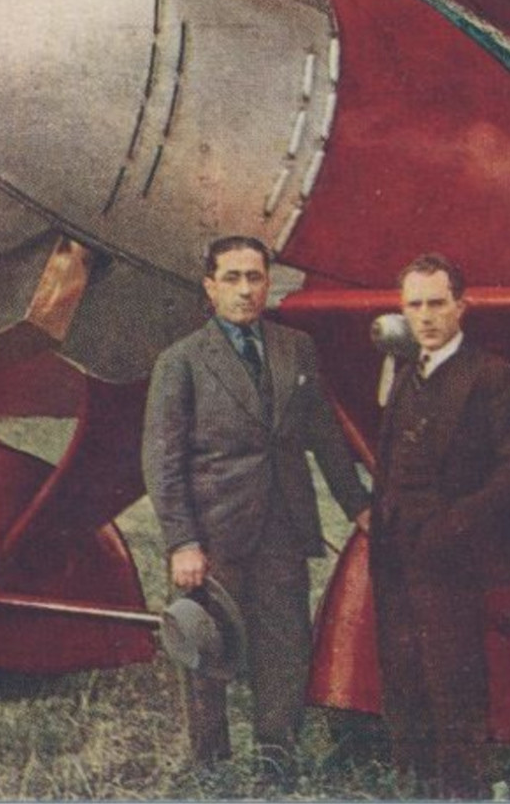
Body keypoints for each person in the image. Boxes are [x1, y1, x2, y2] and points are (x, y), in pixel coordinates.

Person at [143, 235, 371, 771]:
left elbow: (326, 436)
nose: (245, 291)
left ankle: (276, 758)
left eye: (254, 278)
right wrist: (182, 542)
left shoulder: (297, 348)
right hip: (213, 534)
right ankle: (210, 765)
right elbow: (162, 460)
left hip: (284, 527)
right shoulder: (181, 361)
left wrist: (357, 505)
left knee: (285, 648)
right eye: (232, 278)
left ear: (268, 283)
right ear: (210, 287)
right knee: (207, 647)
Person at [370, 253, 510, 799]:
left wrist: (453, 525)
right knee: (403, 665)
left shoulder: (494, 377)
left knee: (453, 673)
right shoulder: (403, 373)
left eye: (437, 303)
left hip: (453, 552)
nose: (425, 316)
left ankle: (462, 792)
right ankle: (411, 782)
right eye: (414, 305)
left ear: (461, 307)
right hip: (396, 547)